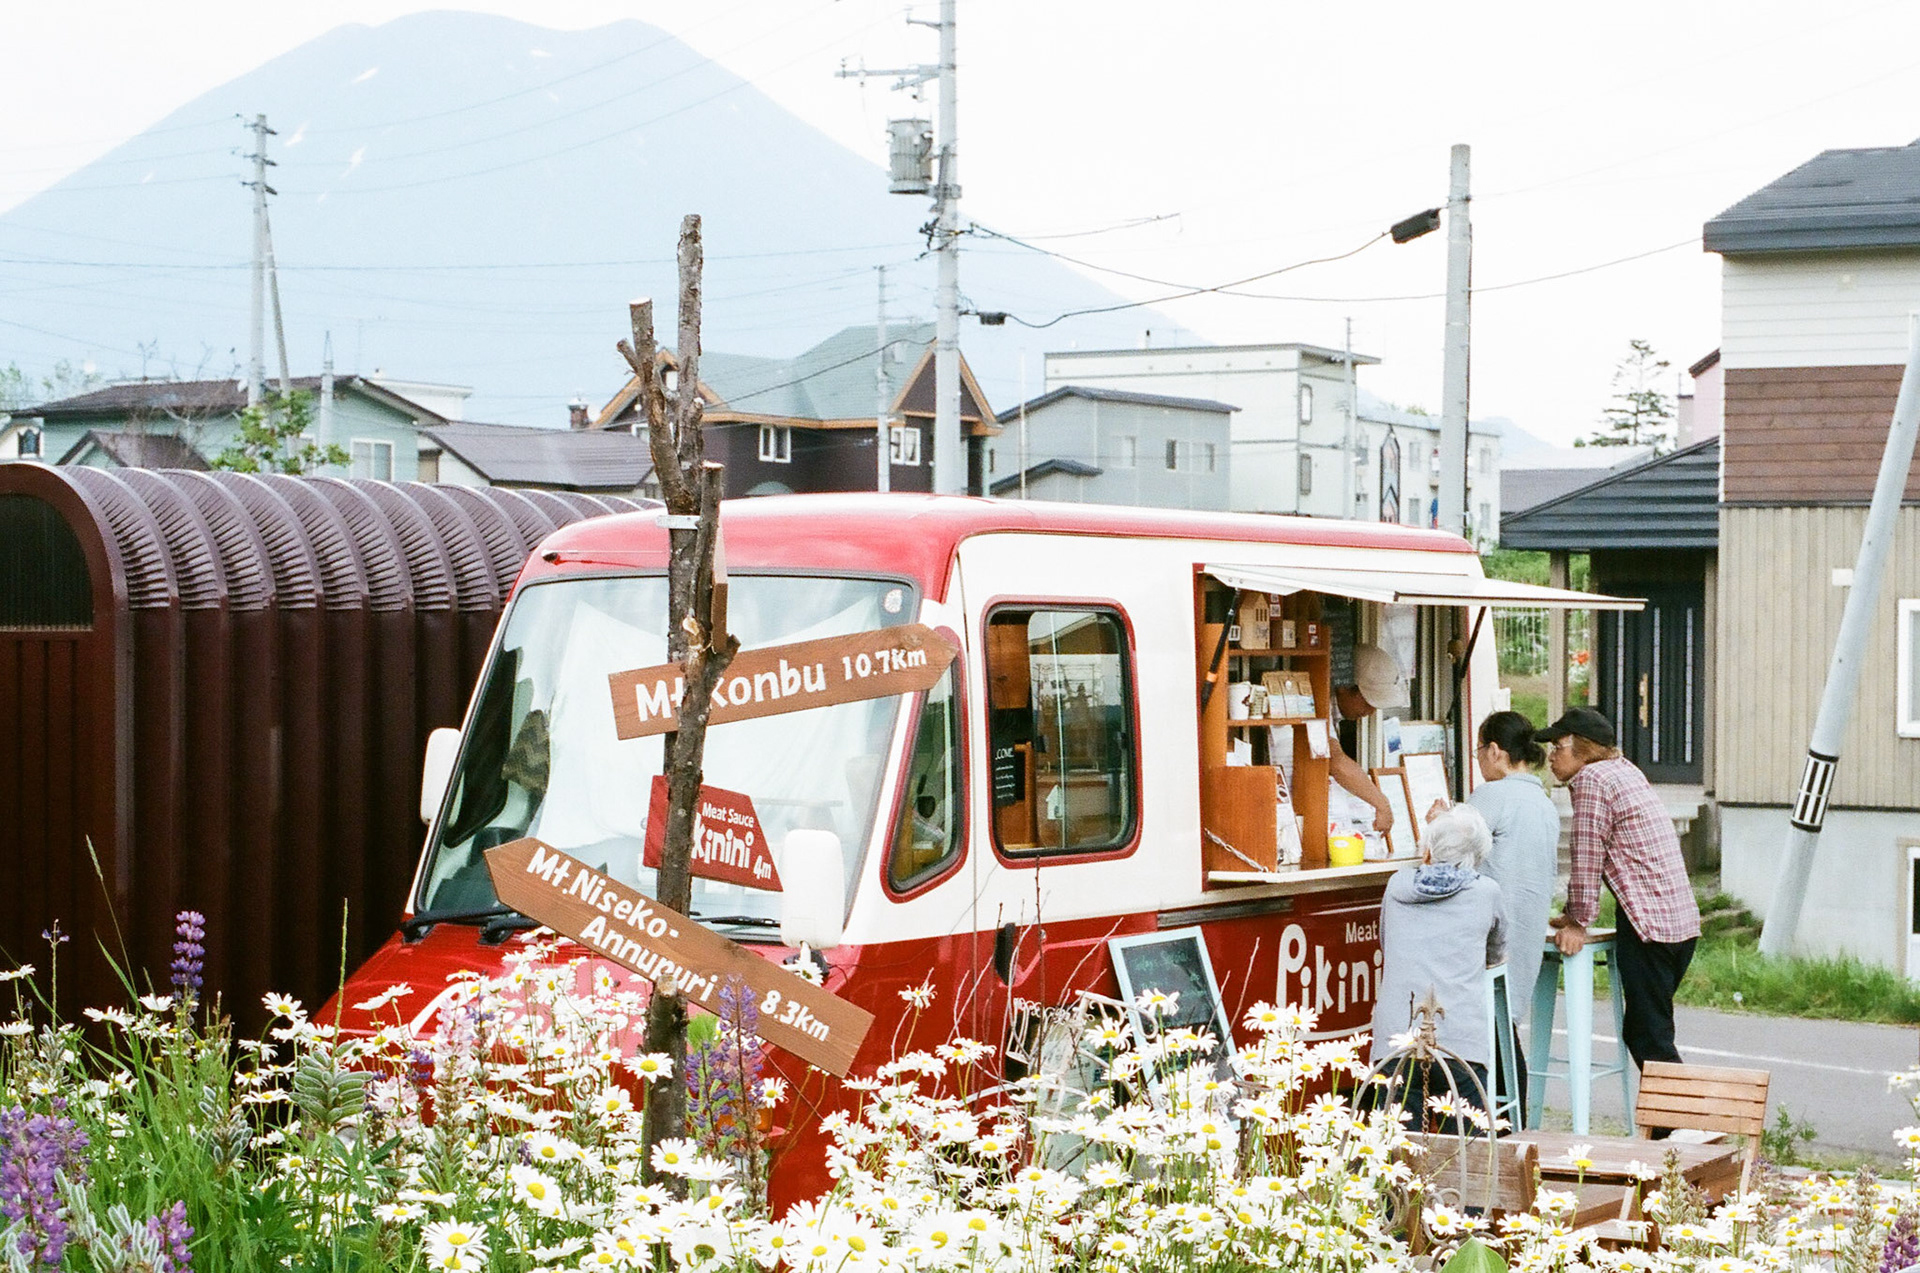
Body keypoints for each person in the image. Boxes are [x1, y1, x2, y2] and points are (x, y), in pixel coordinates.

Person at [1538, 707, 1701, 1077]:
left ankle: (1687, 1124)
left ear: (1584, 748)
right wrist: (1573, 912)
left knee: (1648, 1036)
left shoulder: (1592, 779)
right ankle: (1670, 1126)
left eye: (1557, 746)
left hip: (1650, 927)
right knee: (1648, 1031)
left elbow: (1587, 853)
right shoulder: (1625, 770)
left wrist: (1578, 923)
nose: (1551, 755)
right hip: (1678, 923)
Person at [1368, 804, 1506, 1125]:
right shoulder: (1486, 892)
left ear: (1427, 850)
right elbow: (1496, 953)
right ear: (1478, 855)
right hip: (1460, 1041)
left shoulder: (1396, 887)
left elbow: (1387, 943)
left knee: (1392, 1148)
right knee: (1466, 1154)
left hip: (1396, 1038)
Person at [1464, 709, 1559, 1114]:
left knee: (1485, 1031)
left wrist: (1438, 820)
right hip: (1527, 929)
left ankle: (1500, 1128)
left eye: (1479, 750)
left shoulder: (1491, 796)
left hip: (1489, 935)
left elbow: (1450, 850)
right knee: (1505, 1025)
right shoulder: (1542, 801)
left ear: (1496, 751)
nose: (1479, 760)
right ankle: (1514, 1122)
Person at [1330, 644, 1406, 835]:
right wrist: (1382, 804)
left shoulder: (1335, 714)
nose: (1372, 711)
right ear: (1344, 688)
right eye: (1368, 701)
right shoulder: (1318, 709)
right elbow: (1335, 762)